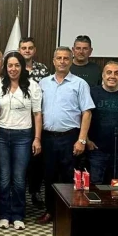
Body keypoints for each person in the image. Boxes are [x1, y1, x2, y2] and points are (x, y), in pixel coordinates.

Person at [38, 47, 94, 225]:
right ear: (53, 61)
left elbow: (87, 113)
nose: (62, 61)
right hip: (48, 137)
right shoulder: (43, 83)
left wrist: (81, 140)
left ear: (71, 61)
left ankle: (68, 212)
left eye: (66, 58)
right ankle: (50, 211)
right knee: (49, 176)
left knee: (70, 177)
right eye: (59, 58)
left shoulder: (80, 84)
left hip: (70, 137)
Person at [0, 52, 42, 231]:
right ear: (5, 67)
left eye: (17, 65)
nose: (13, 69)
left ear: (22, 67)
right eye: (10, 65)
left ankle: (18, 215)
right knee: (4, 178)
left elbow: (37, 114)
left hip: (23, 136)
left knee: (19, 178)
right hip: (1, 135)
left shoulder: (33, 85)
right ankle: (4, 214)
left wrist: (37, 138)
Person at [87, 61, 118, 186]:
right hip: (96, 149)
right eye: (109, 72)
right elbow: (83, 117)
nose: (112, 76)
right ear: (103, 75)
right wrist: (86, 140)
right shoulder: (92, 93)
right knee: (95, 186)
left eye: (116, 73)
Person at [19, 37, 48, 208]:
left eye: (30, 48)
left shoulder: (43, 69)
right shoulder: (13, 67)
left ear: (34, 50)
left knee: (36, 159)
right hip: (18, 120)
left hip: (36, 119)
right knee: (19, 160)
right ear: (19, 50)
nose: (27, 51)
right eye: (24, 48)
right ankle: (18, 193)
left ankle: (35, 192)